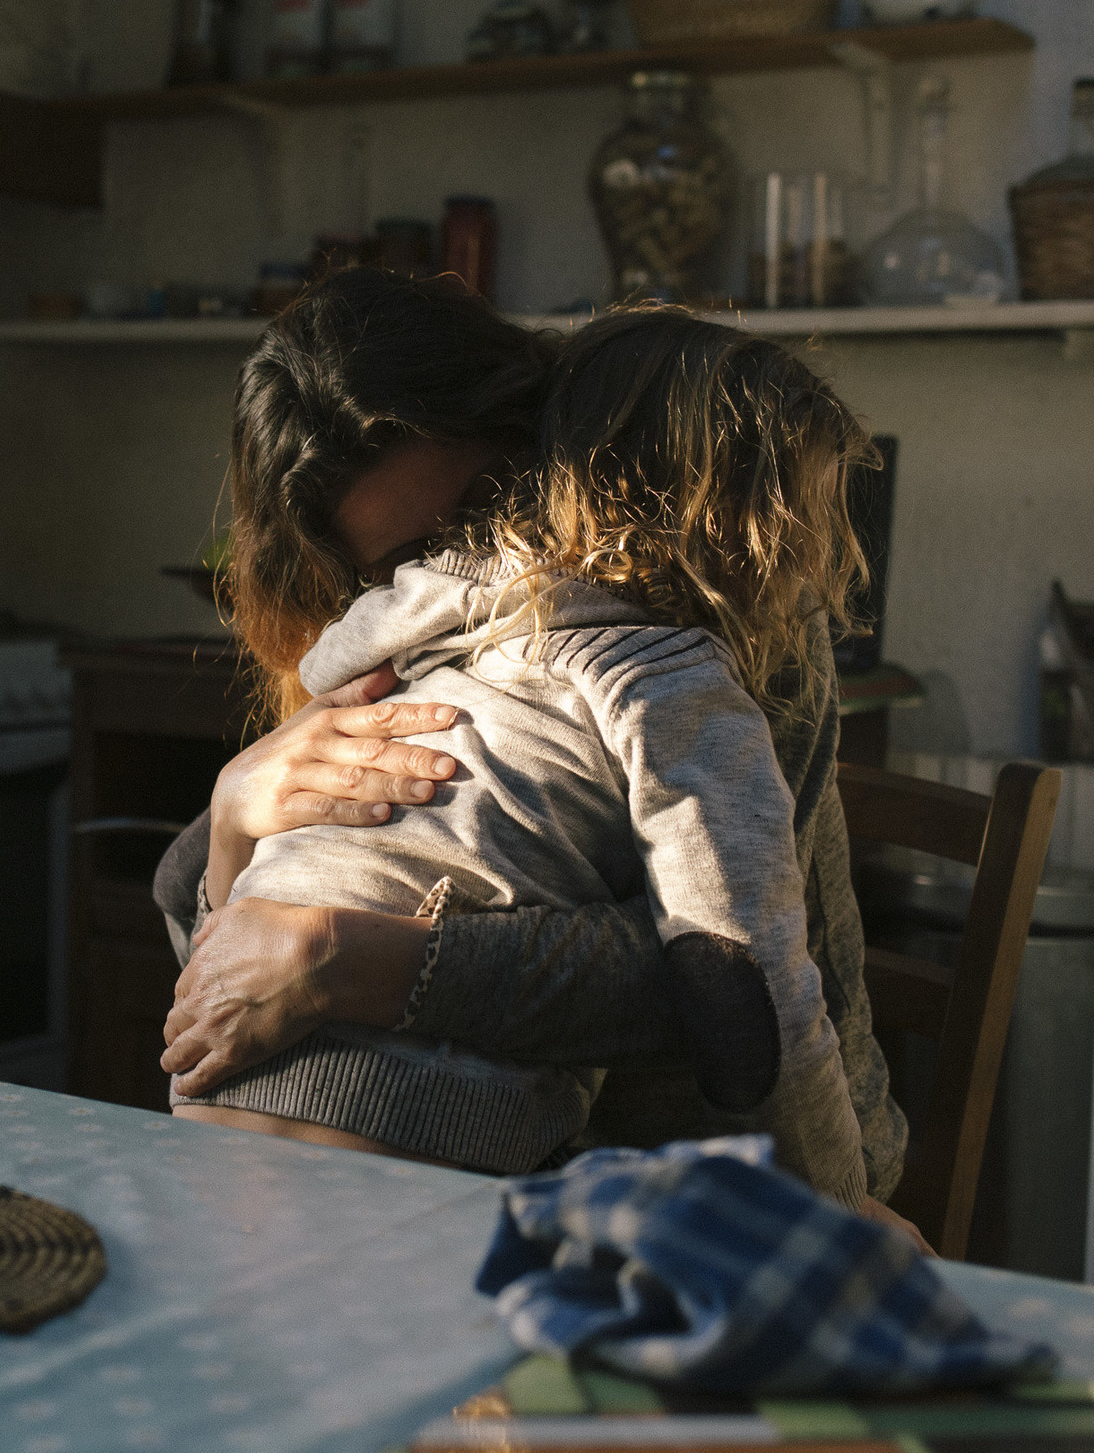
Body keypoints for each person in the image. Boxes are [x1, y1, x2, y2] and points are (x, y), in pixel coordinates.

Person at [156, 270, 913, 1228]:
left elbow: (720, 982)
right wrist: (234, 818)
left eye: (478, 503)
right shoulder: (419, 613)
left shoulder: (719, 581)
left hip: (728, 1176)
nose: (459, 559)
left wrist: (353, 958)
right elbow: (221, 971)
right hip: (433, 1173)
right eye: (397, 563)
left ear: (534, 431)